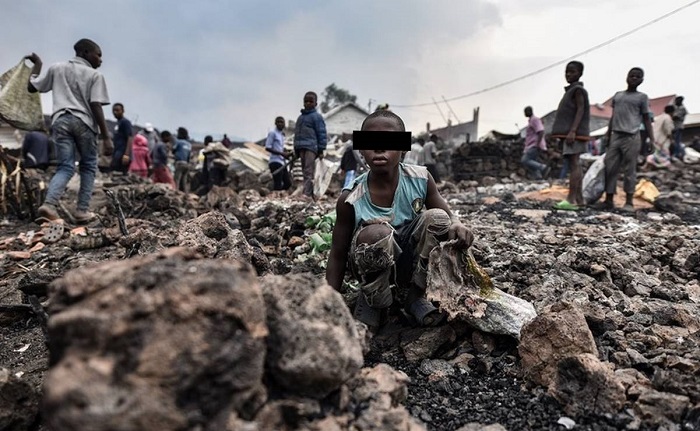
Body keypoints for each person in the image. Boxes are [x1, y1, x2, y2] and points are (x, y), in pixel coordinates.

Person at [326, 110, 474, 330]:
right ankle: (374, 302)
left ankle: (414, 296)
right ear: (362, 150)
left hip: (408, 262)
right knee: (377, 233)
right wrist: (328, 303)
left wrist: (457, 224)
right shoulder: (350, 198)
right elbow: (338, 254)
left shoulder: (421, 179)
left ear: (403, 148)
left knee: (438, 219)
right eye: (370, 142)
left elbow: (448, 217)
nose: (379, 148)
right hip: (369, 265)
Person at [25, 38, 112, 223]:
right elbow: (96, 104)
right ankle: (82, 211)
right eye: (99, 55)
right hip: (84, 123)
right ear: (85, 53)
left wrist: (38, 65)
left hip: (60, 121)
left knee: (65, 166)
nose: (101, 60)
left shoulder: (57, 68)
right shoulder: (95, 76)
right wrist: (106, 137)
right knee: (88, 166)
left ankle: (49, 205)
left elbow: (32, 87)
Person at [596, 67, 654, 213]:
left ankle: (629, 201)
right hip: (616, 135)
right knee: (610, 168)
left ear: (642, 80)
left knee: (630, 170)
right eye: (632, 75)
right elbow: (613, 117)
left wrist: (651, 140)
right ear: (626, 77)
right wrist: (608, 135)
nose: (634, 78)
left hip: (632, 136)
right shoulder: (618, 96)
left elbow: (646, 119)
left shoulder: (642, 97)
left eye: (637, 76)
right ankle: (608, 199)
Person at [551, 61, 590, 210]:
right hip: (570, 134)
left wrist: (573, 130)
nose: (568, 75)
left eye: (572, 72)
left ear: (580, 74)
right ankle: (580, 200)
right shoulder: (570, 91)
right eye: (567, 72)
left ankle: (571, 199)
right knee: (574, 163)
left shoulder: (578, 90)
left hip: (574, 134)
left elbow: (580, 110)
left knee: (574, 163)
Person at [293, 91, 327, 199]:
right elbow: (296, 134)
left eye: (310, 101)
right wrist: (296, 149)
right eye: (306, 101)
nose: (308, 103)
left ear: (316, 103)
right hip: (301, 147)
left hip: (311, 147)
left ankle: (307, 194)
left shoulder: (316, 117)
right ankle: (309, 192)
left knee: (308, 170)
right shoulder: (300, 118)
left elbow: (321, 133)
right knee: (305, 171)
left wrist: (321, 150)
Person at [522, 106, 550, 180]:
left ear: (529, 111)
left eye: (525, 112)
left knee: (525, 160)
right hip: (530, 145)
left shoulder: (535, 120)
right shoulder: (531, 121)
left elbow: (540, 131)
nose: (524, 114)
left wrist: (538, 143)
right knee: (532, 162)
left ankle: (542, 167)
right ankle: (538, 177)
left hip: (534, 145)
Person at [265, 116, 292, 191]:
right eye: (278, 122)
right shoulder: (272, 133)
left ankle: (278, 195)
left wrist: (286, 154)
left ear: (284, 124)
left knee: (288, 183)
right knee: (278, 183)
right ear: (275, 123)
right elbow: (267, 147)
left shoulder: (282, 135)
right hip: (274, 161)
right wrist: (281, 153)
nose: (280, 124)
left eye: (282, 122)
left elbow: (280, 148)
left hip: (281, 162)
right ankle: (276, 198)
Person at [644, 105, 674, 169]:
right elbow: (668, 130)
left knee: (657, 153)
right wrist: (671, 139)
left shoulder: (659, 117)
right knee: (663, 154)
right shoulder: (668, 118)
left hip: (655, 138)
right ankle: (665, 165)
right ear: (672, 112)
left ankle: (649, 164)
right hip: (662, 139)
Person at [111, 103, 133, 174]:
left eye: (117, 110)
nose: (115, 112)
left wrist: (126, 154)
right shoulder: (118, 123)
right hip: (117, 152)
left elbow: (130, 137)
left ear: (122, 111)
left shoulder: (125, 122)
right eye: (113, 111)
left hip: (122, 153)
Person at [173, 127, 192, 192]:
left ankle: (176, 193)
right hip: (186, 164)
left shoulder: (178, 142)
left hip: (179, 163)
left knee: (177, 180)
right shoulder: (189, 144)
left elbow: (173, 150)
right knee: (184, 181)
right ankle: (185, 195)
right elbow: (189, 156)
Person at [671, 96, 687, 160]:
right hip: (674, 127)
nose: (675, 102)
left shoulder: (682, 108)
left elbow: (675, 116)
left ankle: (677, 154)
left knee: (677, 141)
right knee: (674, 141)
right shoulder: (675, 107)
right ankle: (676, 153)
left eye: (676, 101)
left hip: (678, 126)